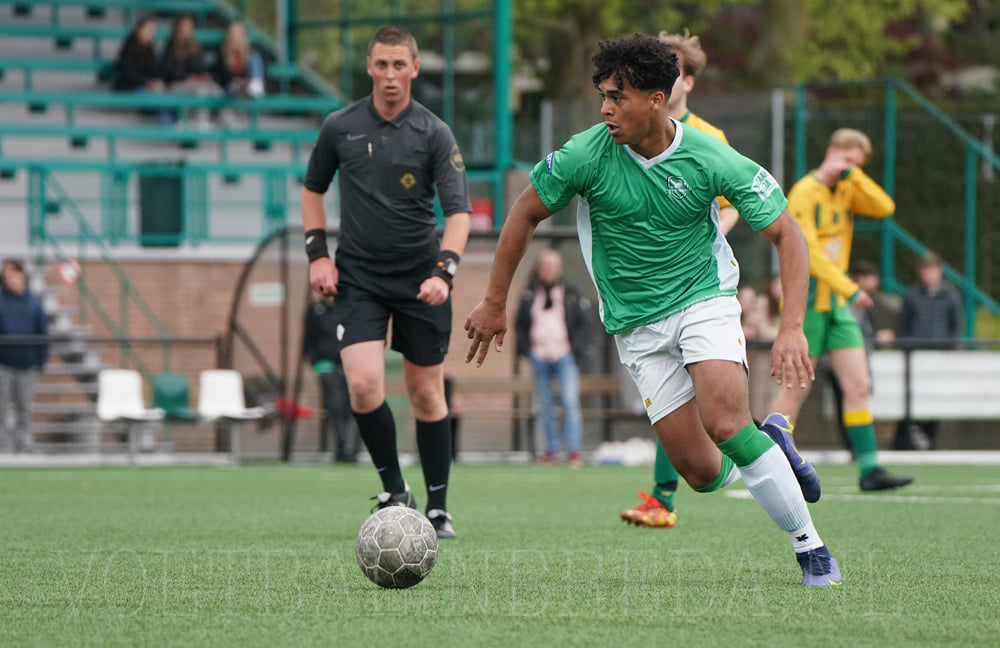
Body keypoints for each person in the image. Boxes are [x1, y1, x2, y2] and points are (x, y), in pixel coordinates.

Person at [465, 33, 840, 586]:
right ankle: (772, 443)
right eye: (603, 94)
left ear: (656, 100)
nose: (605, 108)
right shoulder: (585, 153)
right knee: (701, 471)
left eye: (618, 96)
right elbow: (523, 212)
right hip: (636, 326)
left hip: (702, 299)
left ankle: (812, 550)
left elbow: (788, 235)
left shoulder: (709, 155)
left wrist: (791, 329)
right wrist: (494, 301)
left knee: (726, 422)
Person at [301, 25, 471, 539]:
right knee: (363, 383)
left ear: (415, 68)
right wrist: (318, 257)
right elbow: (313, 190)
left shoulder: (435, 132)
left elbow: (459, 213)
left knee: (425, 394)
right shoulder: (339, 126)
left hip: (422, 279)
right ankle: (396, 491)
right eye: (382, 65)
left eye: (400, 65)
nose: (391, 75)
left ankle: (438, 507)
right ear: (369, 68)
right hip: (358, 279)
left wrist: (445, 271)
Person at [618, 28, 745, 529]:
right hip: (650, 288)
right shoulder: (628, 132)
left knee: (709, 405)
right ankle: (664, 498)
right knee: (671, 399)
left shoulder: (708, 139)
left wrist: (697, 238)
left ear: (686, 81)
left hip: (698, 284)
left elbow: (733, 207)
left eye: (670, 71)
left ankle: (667, 495)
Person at [771, 128, 914, 492]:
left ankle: (869, 469)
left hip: (837, 302)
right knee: (797, 386)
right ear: (833, 151)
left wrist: (853, 174)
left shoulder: (848, 187)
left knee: (858, 384)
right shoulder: (805, 191)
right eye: (848, 160)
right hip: (811, 299)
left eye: (858, 165)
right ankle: (768, 465)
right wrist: (849, 288)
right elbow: (807, 252)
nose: (851, 170)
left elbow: (885, 207)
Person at [514, 248, 591, 467]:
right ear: (539, 269)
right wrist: (528, 350)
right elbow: (519, 326)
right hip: (539, 356)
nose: (550, 271)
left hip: (564, 355)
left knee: (569, 401)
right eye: (546, 267)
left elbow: (585, 323)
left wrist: (574, 349)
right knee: (545, 405)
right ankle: (551, 452)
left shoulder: (571, 292)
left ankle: (574, 452)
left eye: (554, 267)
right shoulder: (530, 294)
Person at [894, 251, 962, 449]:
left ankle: (928, 439)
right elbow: (904, 325)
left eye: (931, 270)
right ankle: (908, 439)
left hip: (940, 356)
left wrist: (948, 348)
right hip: (916, 356)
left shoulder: (951, 295)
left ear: (939, 272)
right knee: (911, 398)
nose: (927, 275)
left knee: (935, 399)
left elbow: (955, 325)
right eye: (924, 270)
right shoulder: (912, 294)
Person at [0, 260, 49, 453]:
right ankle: (2, 448)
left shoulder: (34, 304)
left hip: (28, 366)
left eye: (15, 274)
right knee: (1, 409)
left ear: (22, 275)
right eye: (7, 275)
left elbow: (43, 334)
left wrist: (39, 362)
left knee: (25, 410)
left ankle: (24, 447)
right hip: (3, 365)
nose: (11, 278)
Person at [303, 294, 356, 463]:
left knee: (352, 407)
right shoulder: (317, 311)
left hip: (349, 366)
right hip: (328, 366)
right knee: (336, 406)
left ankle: (352, 449)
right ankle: (342, 449)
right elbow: (309, 340)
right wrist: (316, 364)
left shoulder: (351, 309)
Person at [159, 12, 223, 128]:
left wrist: (202, 76)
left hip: (194, 83)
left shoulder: (196, 47)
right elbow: (168, 72)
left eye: (189, 26)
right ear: (178, 28)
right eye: (184, 26)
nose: (186, 29)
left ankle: (229, 123)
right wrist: (187, 77)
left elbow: (199, 68)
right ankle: (200, 120)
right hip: (175, 85)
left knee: (216, 89)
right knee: (201, 89)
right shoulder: (170, 47)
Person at [111, 17, 170, 126]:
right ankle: (168, 125)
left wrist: (155, 80)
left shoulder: (150, 49)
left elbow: (153, 70)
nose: (150, 33)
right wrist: (146, 82)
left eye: (152, 30)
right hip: (129, 87)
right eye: (148, 29)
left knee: (164, 91)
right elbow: (127, 73)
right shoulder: (129, 48)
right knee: (158, 95)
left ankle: (173, 123)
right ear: (139, 29)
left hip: (145, 85)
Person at [211, 21, 265, 99]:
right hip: (232, 87)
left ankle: (254, 86)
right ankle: (249, 88)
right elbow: (223, 79)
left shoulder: (250, 53)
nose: (236, 36)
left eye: (238, 33)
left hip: (248, 84)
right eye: (234, 33)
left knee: (255, 57)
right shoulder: (222, 54)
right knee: (234, 86)